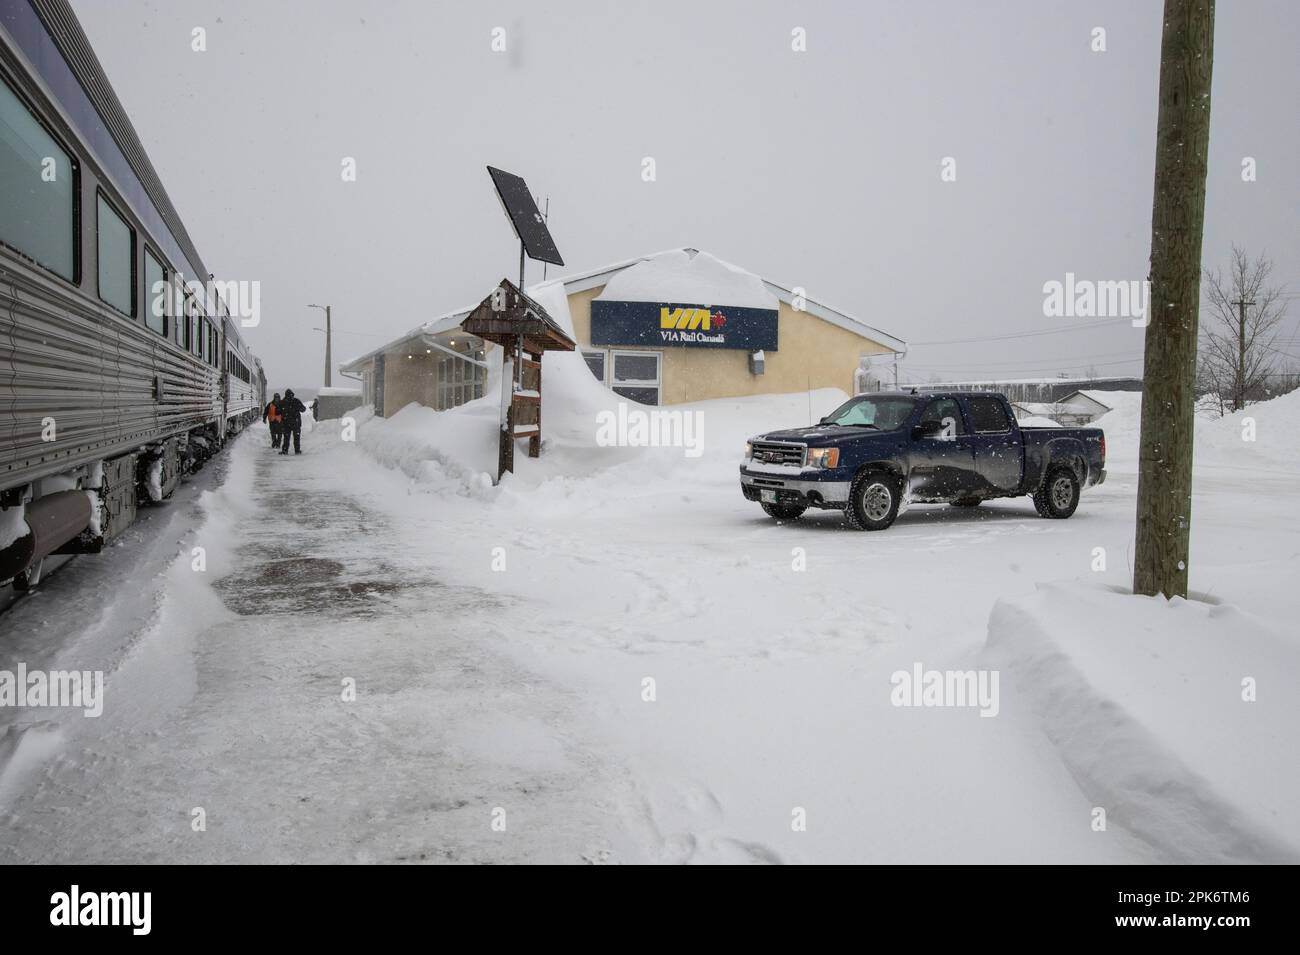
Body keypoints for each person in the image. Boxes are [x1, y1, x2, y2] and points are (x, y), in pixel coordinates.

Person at [278, 389, 307, 455]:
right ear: (292, 394)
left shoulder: (283, 402)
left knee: (286, 438)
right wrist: (298, 408)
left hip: (286, 423)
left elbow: (278, 411)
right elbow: (303, 409)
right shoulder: (296, 401)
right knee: (296, 438)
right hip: (296, 423)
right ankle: (297, 450)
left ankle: (285, 451)